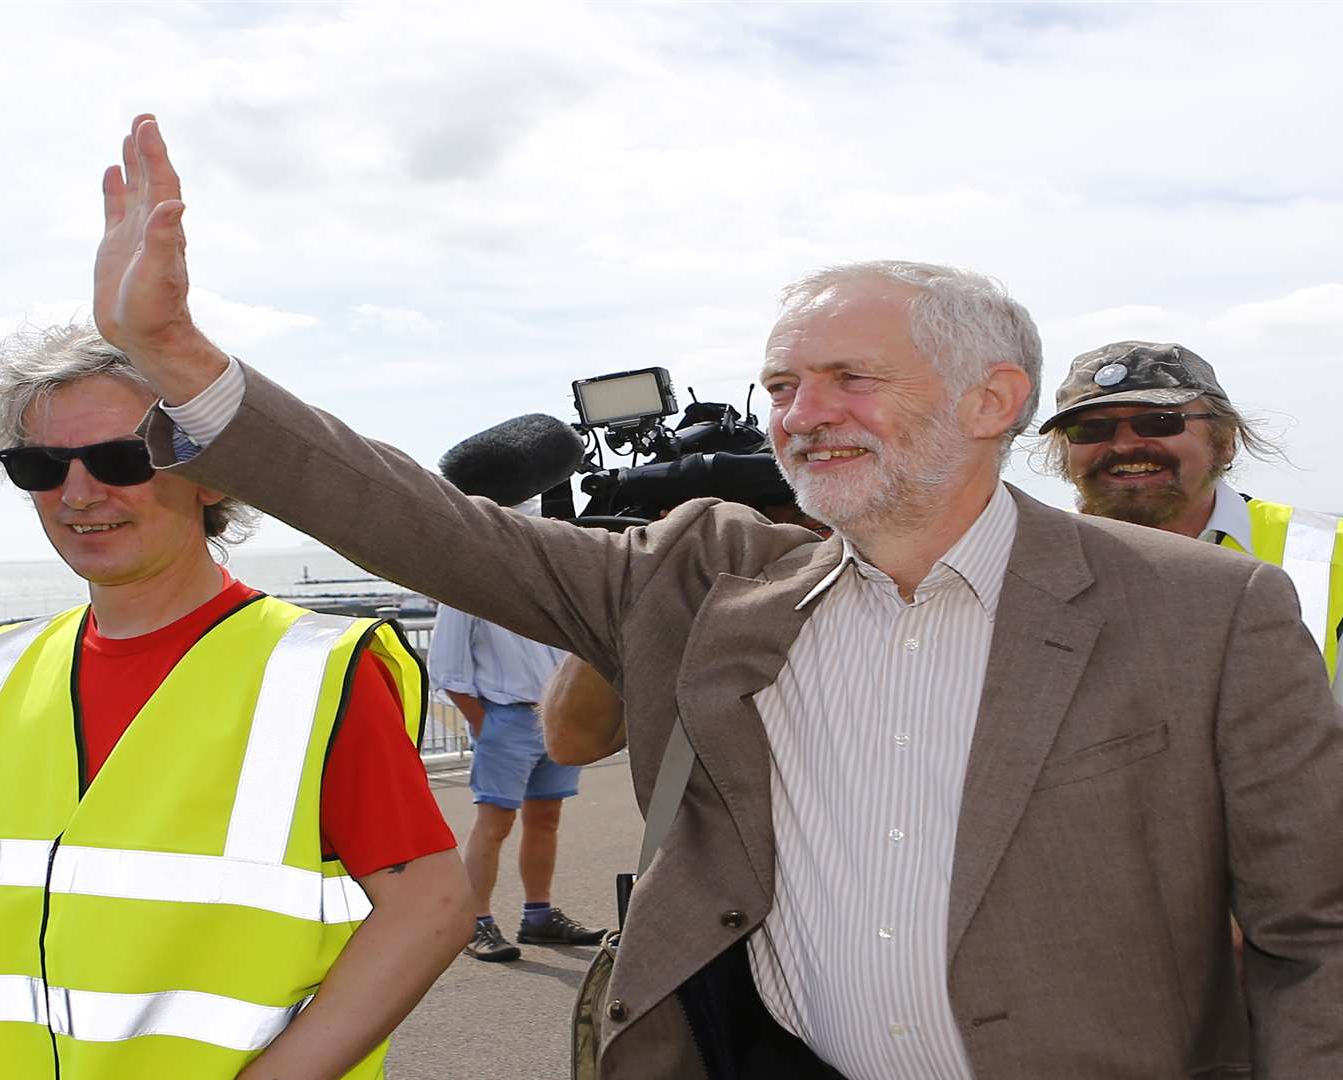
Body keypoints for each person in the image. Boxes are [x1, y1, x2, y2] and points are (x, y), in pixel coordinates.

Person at [89, 115, 1343, 1078]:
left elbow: (1312, 936)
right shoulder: (713, 579)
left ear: (991, 401)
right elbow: (429, 524)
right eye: (784, 385)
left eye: (851, 377)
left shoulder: (1210, 611)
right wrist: (182, 362)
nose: (801, 416)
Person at [0, 325, 471, 1080]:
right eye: (40, 465)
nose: (78, 493)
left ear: (213, 474)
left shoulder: (316, 671)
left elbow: (429, 908)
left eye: (120, 458)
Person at [1039, 340, 1342, 695]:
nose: (1123, 446)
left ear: (1225, 440)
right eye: (1091, 430)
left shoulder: (1328, 552)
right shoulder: (1022, 556)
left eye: (1160, 422)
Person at [429, 514, 608, 963]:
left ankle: (538, 916)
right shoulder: (466, 586)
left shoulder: (549, 584)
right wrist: (482, 722)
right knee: (495, 823)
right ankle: (475, 921)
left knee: (545, 819)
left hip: (557, 716)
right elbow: (447, 667)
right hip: (506, 717)